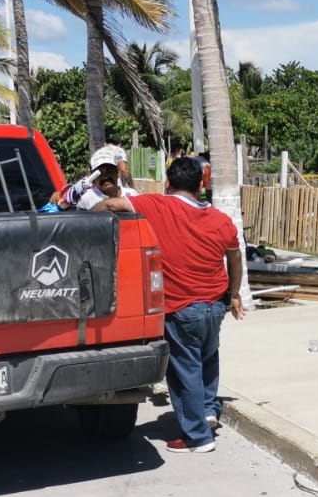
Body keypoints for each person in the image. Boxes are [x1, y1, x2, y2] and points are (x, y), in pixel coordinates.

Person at [96, 156, 243, 453]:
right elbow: (235, 257)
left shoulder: (156, 205)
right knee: (208, 357)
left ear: (168, 183)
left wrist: (86, 210)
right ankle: (208, 409)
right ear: (201, 185)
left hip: (181, 309)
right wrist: (235, 293)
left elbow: (113, 206)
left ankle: (198, 437)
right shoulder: (220, 220)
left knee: (184, 370)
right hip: (215, 305)